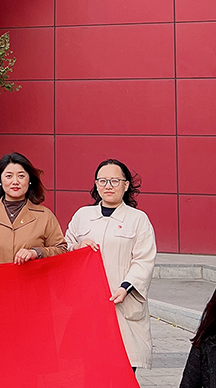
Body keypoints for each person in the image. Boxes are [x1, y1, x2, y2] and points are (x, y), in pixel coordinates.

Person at [64, 159, 156, 371]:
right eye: (103, 180)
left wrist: (125, 288)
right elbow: (64, 247)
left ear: (126, 185)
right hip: (87, 304)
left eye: (115, 181)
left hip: (122, 302)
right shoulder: (82, 216)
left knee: (123, 371)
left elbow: (144, 260)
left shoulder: (138, 219)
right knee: (89, 371)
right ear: (96, 185)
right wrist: (76, 247)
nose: (108, 186)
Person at [0, 152, 67, 264]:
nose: (15, 182)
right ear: (0, 180)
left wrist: (37, 252)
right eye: (9, 176)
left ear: (29, 180)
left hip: (33, 276)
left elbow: (62, 250)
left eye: (21, 176)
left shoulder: (45, 216)